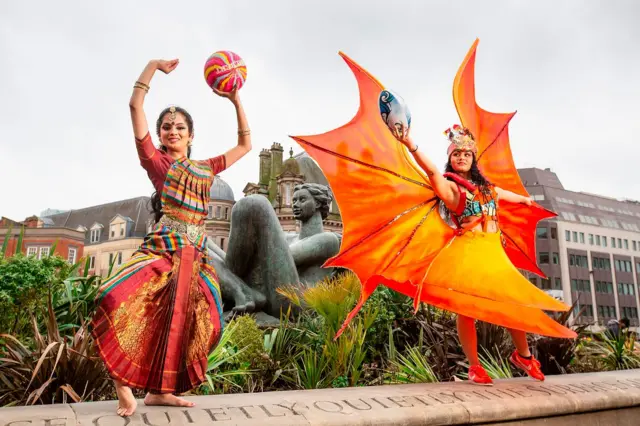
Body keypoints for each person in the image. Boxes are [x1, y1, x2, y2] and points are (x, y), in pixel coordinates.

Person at [90, 58, 252, 417]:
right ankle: (122, 385)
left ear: (191, 136)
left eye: (179, 127)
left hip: (196, 253)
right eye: (166, 127)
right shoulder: (157, 163)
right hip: (164, 247)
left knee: (190, 321)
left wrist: (235, 100)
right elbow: (135, 105)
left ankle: (161, 392)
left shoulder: (206, 168)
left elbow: (245, 145)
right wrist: (151, 68)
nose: (172, 131)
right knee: (113, 297)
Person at [397, 125, 547, 385]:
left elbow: (503, 193)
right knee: (466, 311)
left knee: (512, 303)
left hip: (493, 253)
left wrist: (524, 201)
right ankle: (475, 367)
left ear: (473, 158)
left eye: (467, 153)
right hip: (468, 254)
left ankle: (523, 356)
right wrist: (410, 143)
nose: (462, 157)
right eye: (456, 153)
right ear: (450, 158)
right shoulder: (451, 189)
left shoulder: (486, 188)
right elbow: (431, 171)